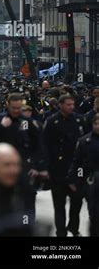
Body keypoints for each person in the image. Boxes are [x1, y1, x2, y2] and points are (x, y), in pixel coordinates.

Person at [0, 93, 46, 217]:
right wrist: (1, 127)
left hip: (24, 169)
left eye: (19, 108)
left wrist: (36, 165)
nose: (16, 111)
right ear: (8, 105)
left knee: (27, 206)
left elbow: (38, 145)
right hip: (1, 169)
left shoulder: (28, 122)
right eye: (13, 108)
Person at [43, 94, 87, 237]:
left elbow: (86, 140)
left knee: (76, 203)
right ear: (61, 105)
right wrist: (46, 167)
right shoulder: (52, 121)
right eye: (68, 105)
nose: (71, 107)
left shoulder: (79, 120)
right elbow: (45, 145)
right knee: (59, 204)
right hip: (58, 168)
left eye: (72, 105)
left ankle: (73, 227)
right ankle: (60, 231)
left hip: (76, 169)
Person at [68, 113, 99, 236]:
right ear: (92, 125)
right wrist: (76, 179)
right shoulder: (84, 141)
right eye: (96, 124)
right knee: (93, 212)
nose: (98, 126)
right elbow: (78, 162)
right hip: (90, 181)